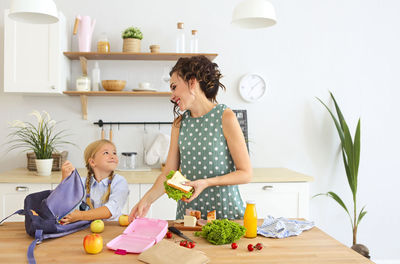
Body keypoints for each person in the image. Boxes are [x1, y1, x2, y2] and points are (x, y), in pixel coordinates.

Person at [129, 55, 252, 221]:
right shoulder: (179, 124)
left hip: (225, 213)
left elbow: (245, 173)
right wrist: (146, 200)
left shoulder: (225, 117)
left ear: (192, 82)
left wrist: (206, 182)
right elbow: (169, 174)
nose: (172, 96)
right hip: (189, 216)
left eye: (174, 87)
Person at [60, 139, 129, 224]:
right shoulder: (81, 182)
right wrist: (65, 179)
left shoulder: (120, 182)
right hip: (86, 230)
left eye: (114, 153)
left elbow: (110, 210)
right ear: (92, 162)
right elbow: (63, 202)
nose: (112, 156)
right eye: (106, 153)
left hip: (112, 228)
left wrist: (80, 215)